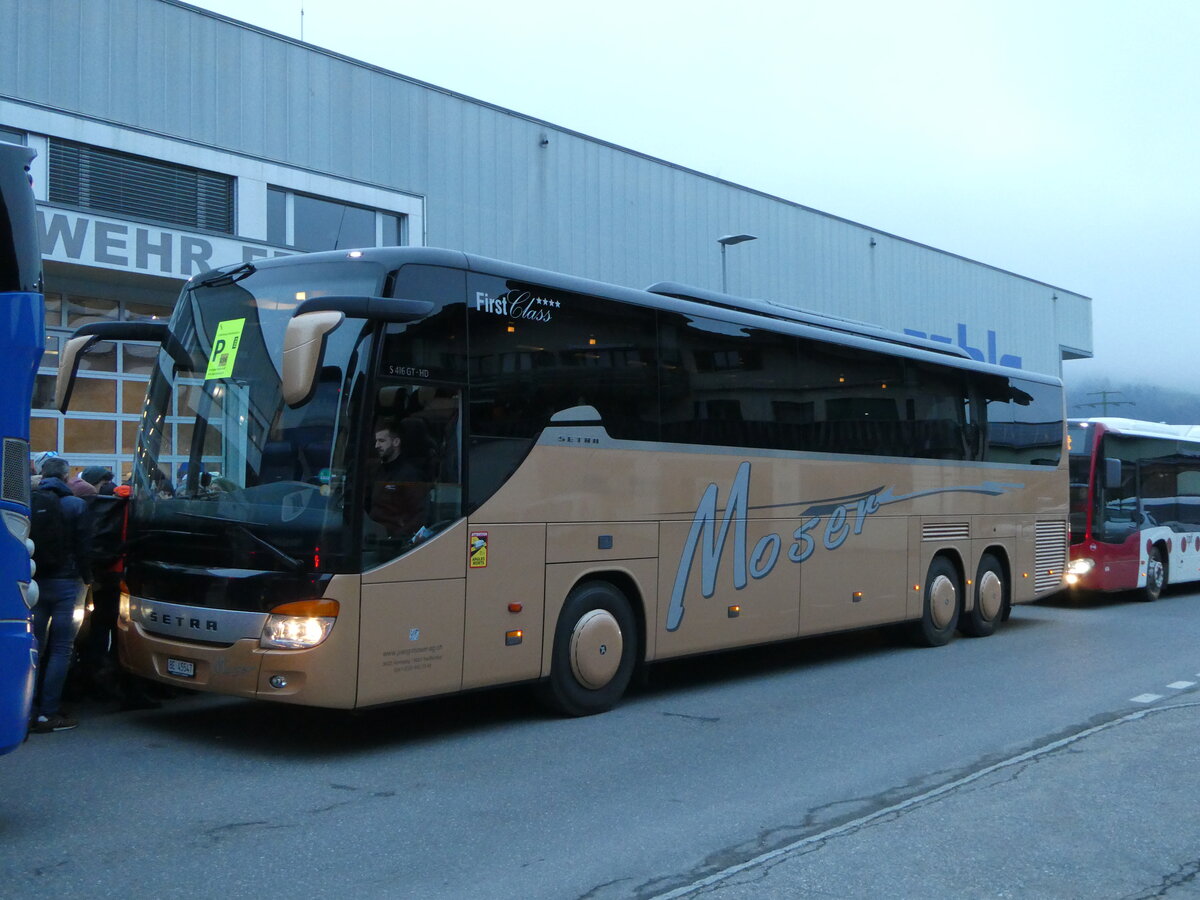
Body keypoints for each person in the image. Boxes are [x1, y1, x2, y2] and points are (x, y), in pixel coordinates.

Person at [29, 456, 93, 733]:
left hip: (36, 582)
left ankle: (26, 710)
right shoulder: (76, 505)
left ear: (43, 474)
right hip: (68, 584)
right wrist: (89, 579)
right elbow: (85, 548)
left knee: (35, 646)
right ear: (67, 477)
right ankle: (48, 713)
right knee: (61, 649)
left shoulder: (31, 502)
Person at [368, 417, 434, 539]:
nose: (377, 445)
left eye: (382, 441)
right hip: (371, 535)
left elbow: (420, 516)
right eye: (376, 441)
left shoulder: (410, 475)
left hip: (393, 542)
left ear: (396, 442)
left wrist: (396, 538)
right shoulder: (376, 471)